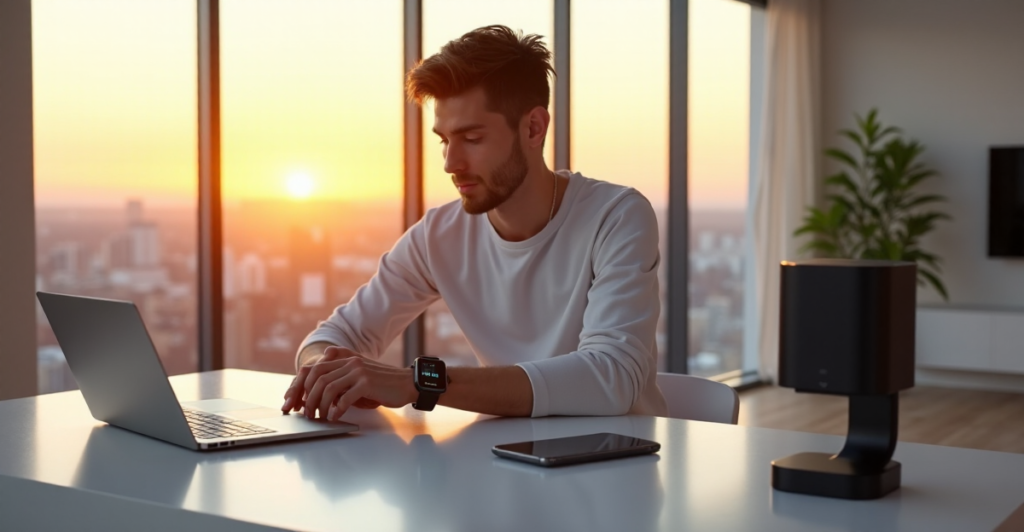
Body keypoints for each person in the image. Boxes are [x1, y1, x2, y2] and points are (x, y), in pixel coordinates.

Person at [281, 25, 666, 421]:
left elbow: (611, 378)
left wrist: (419, 382)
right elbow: (331, 338)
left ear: (533, 128)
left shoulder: (616, 216)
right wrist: (324, 371)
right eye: (444, 140)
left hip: (619, 465)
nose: (450, 163)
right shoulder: (438, 237)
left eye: (472, 138)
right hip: (505, 462)